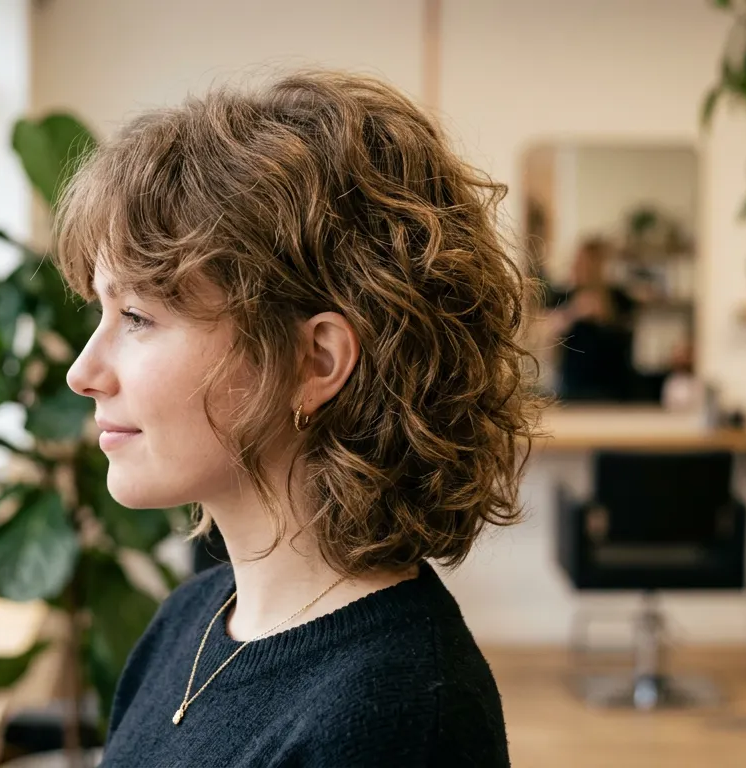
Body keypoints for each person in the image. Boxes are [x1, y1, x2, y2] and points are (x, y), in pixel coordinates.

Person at [59, 70, 539, 767]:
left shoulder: (395, 716)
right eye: (100, 311)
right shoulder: (183, 625)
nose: (83, 372)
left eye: (137, 317)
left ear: (315, 360)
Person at [544, 238, 638, 402]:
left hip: (613, 386)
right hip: (575, 385)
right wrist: (575, 312)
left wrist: (605, 316)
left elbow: (628, 338)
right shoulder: (565, 297)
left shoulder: (620, 299)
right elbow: (549, 335)